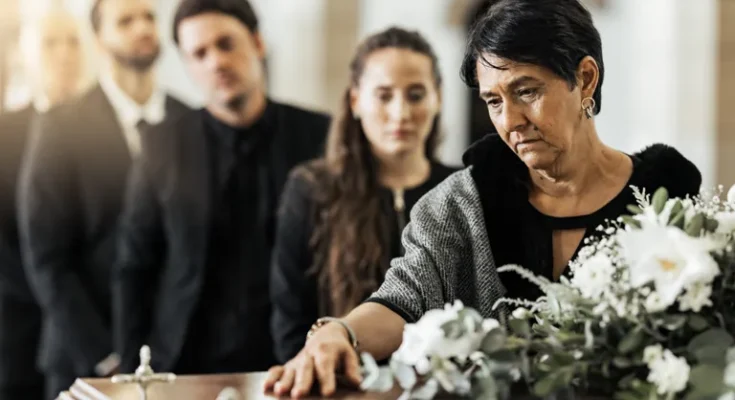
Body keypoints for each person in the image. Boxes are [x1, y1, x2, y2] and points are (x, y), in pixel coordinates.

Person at [264, 0, 703, 397]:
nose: (510, 120)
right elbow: (403, 300)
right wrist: (338, 332)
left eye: (526, 91)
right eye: (493, 101)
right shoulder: (459, 203)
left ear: (585, 79)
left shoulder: (665, 197)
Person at [111, 0, 330, 377]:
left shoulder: (318, 136)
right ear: (187, 65)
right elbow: (135, 265)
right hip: (185, 359)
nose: (216, 62)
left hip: (294, 358)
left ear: (258, 43)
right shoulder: (162, 144)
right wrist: (132, 370)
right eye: (199, 53)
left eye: (226, 44)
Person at [16, 0, 189, 397]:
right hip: (85, 358)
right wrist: (105, 353)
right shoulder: (61, 126)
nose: (142, 28)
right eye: (125, 21)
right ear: (98, 38)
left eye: (149, 18)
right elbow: (46, 255)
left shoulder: (188, 120)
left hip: (178, 356)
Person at [270, 27, 457, 363]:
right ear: (356, 101)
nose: (400, 113)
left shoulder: (460, 191)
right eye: (384, 95)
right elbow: (290, 318)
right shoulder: (312, 190)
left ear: (438, 98)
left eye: (415, 95)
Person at [0, 9, 85, 400]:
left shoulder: (106, 134)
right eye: (50, 43)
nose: (64, 53)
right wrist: (56, 296)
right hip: (18, 330)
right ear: (24, 53)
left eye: (73, 41)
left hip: (94, 332)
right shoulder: (6, 134)